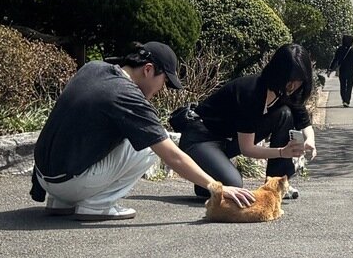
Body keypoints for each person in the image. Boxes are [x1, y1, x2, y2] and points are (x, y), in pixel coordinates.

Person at [30, 42, 255, 221]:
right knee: (151, 144)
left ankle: (61, 203)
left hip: (45, 178)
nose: (162, 89)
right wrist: (217, 187)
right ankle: (97, 206)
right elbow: (172, 156)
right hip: (69, 183)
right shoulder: (127, 95)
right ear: (148, 70)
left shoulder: (93, 68)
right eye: (164, 81)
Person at [177, 44, 317, 201]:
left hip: (227, 140)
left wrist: (310, 140)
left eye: (299, 80)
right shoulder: (251, 92)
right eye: (289, 79)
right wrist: (281, 152)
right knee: (233, 184)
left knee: (285, 114)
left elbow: (303, 121)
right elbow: (247, 149)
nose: (293, 85)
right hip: (201, 138)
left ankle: (276, 184)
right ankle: (207, 180)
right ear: (278, 73)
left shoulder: (286, 93)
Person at [328, 33, 353, 107]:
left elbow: (335, 59)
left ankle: (344, 99)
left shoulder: (339, 49)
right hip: (351, 69)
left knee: (342, 85)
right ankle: (347, 100)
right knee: (350, 85)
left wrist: (330, 69)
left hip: (342, 69)